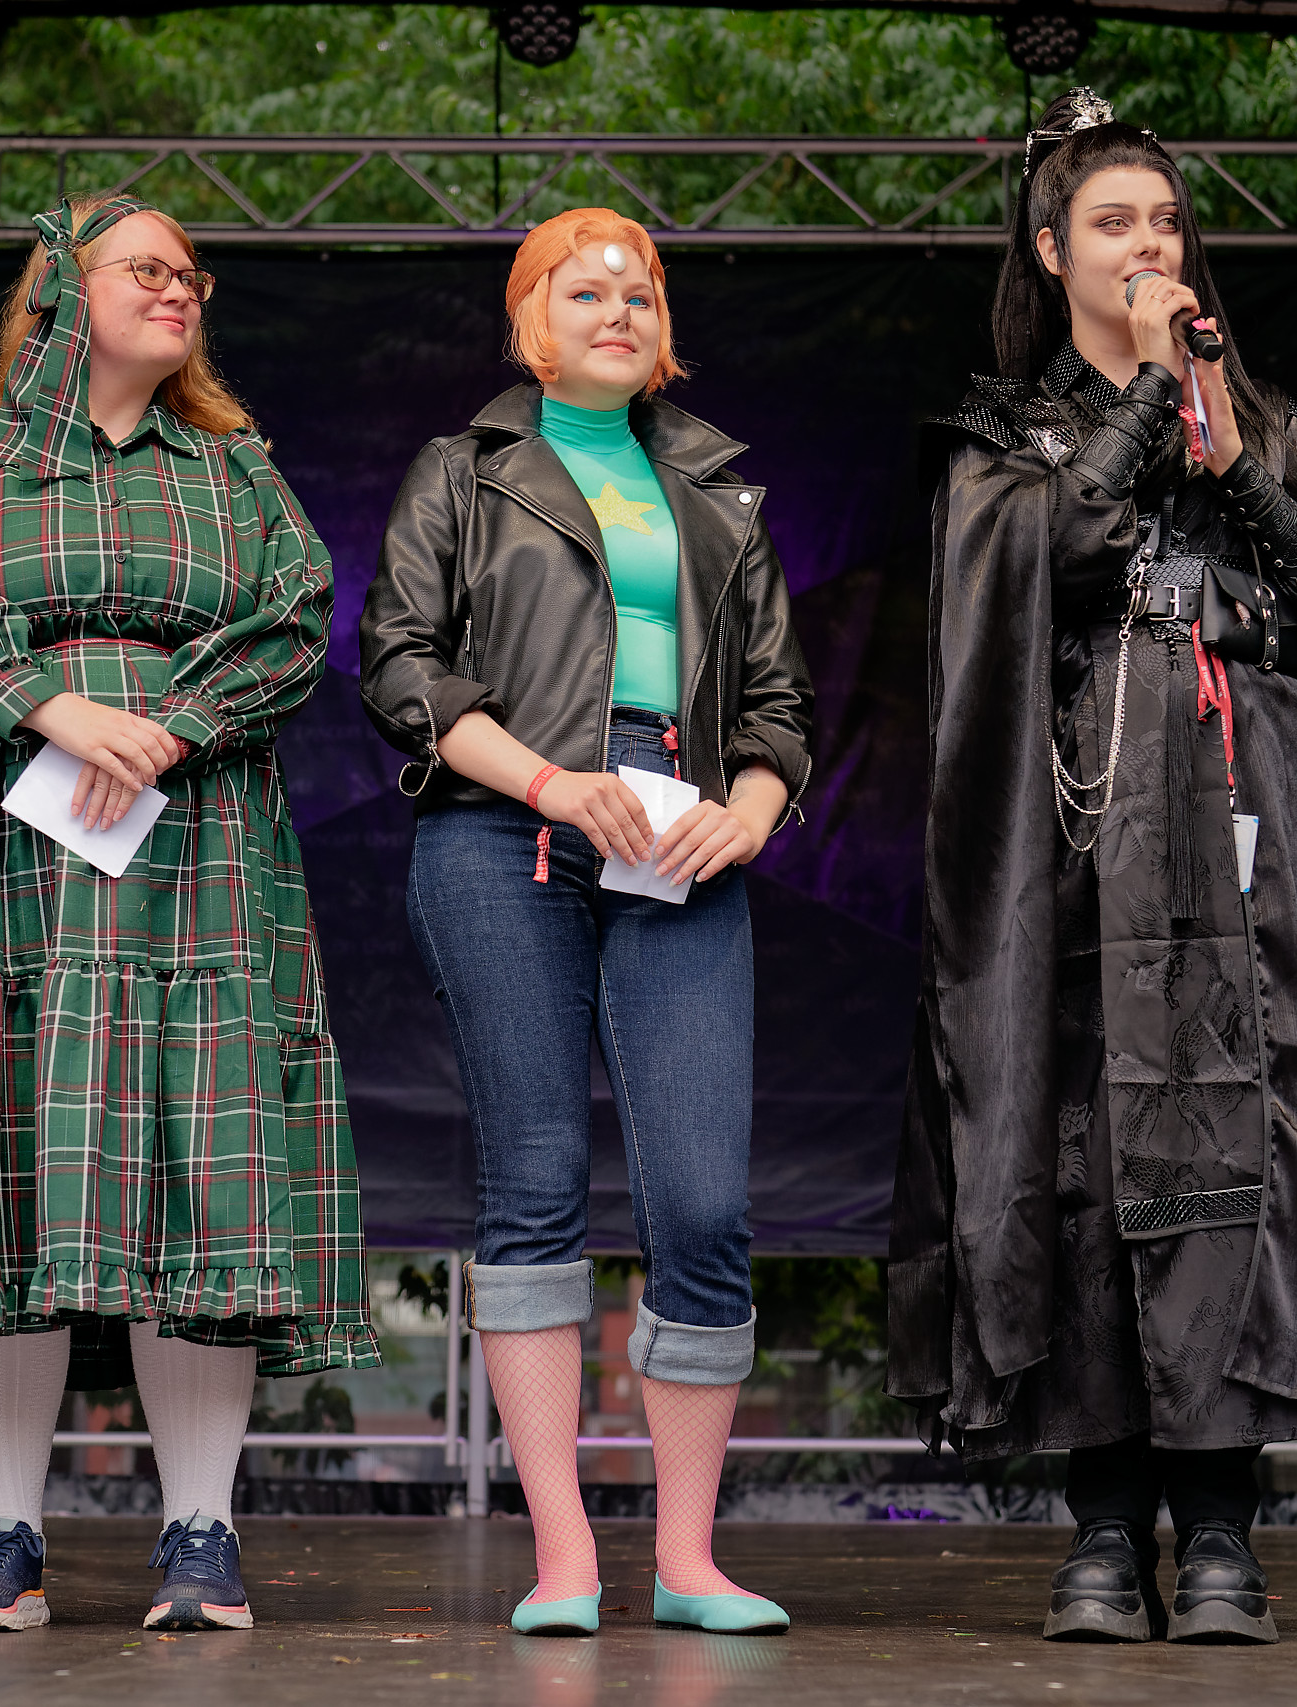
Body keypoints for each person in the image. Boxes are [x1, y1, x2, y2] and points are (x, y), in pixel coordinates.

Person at [0, 193, 379, 1636]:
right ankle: (3, 1544)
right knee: (2, 1167)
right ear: (62, 290)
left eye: (192, 274)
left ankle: (202, 1537)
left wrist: (166, 727)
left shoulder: (232, 470)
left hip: (195, 842)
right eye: (148, 268)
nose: (181, 290)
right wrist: (48, 704)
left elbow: (296, 616)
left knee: (195, 1167)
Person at [887, 89, 1297, 1646]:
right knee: (1086, 1161)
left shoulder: (1264, 423)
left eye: (1167, 221)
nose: (1149, 245)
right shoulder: (1005, 441)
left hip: (1257, 857)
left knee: (1253, 1162)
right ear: (1050, 248)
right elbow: (1057, 558)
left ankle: (1219, 1532)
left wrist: (1235, 451)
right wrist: (1146, 396)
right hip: (1080, 854)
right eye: (1114, 222)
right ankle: (1101, 1522)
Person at [360, 208, 815, 1637]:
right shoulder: (464, 470)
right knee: (537, 1181)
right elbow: (400, 666)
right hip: (509, 832)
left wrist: (753, 808)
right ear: (530, 321)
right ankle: (563, 1556)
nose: (619, 309)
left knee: (706, 1205)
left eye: (641, 292)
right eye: (586, 290)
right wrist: (553, 782)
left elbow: (781, 703)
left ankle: (688, 1561)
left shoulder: (721, 489)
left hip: (680, 837)